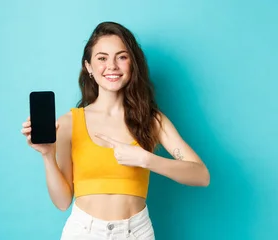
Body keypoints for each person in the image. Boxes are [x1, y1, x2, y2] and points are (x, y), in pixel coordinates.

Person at [20, 21, 210, 240]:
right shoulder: (69, 123)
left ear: (132, 64)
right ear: (88, 67)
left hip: (136, 232)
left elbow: (201, 175)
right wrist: (47, 155)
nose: (112, 66)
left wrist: (145, 159)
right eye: (102, 58)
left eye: (121, 56)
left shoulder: (151, 120)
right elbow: (62, 202)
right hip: (83, 232)